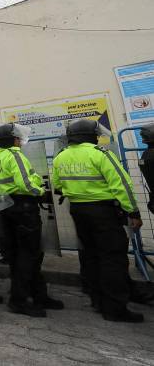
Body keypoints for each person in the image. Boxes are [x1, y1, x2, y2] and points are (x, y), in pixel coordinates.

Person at [53, 119, 143, 323]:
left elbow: (57, 184)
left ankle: (97, 300)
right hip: (103, 211)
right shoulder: (101, 154)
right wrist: (133, 212)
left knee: (91, 255)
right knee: (112, 258)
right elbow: (122, 185)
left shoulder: (61, 156)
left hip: (77, 210)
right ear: (90, 135)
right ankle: (115, 308)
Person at [0, 123, 63, 317]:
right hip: (23, 208)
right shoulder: (14, 155)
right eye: (17, 137)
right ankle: (19, 300)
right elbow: (25, 182)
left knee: (20, 255)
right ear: (11, 139)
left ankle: (37, 295)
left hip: (8, 207)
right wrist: (40, 192)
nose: (20, 140)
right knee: (29, 255)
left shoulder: (0, 157)